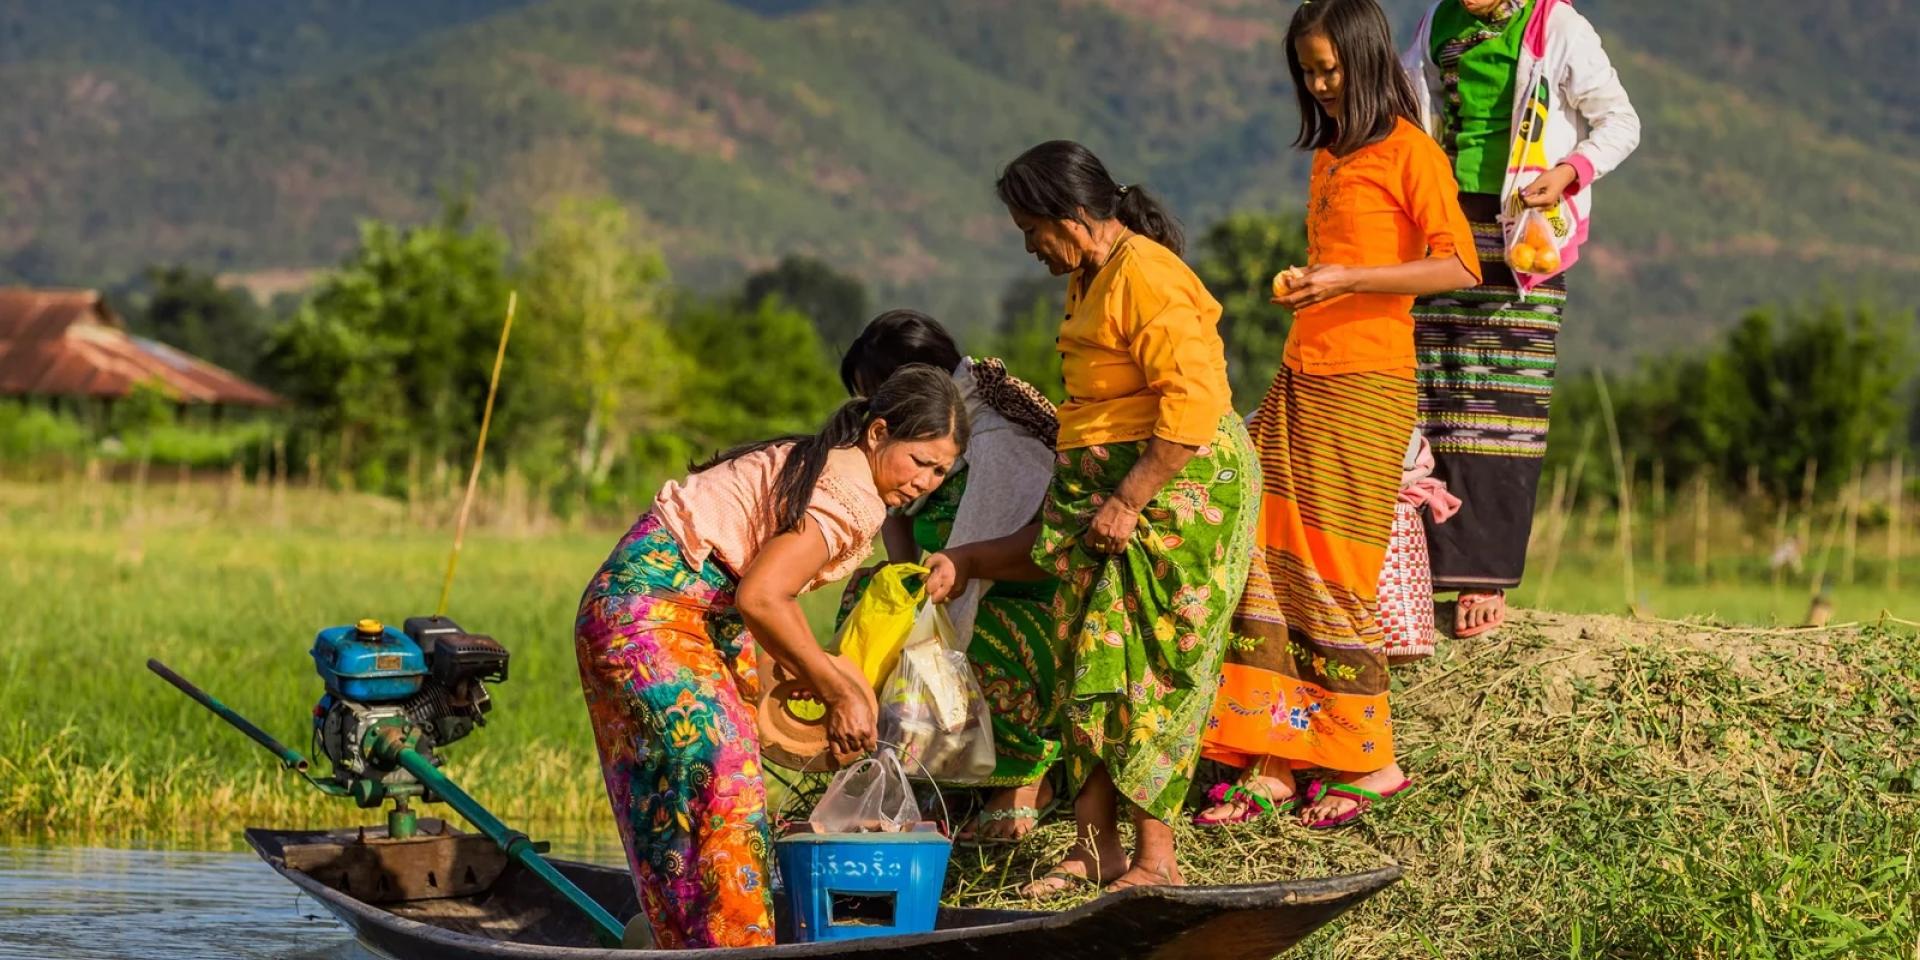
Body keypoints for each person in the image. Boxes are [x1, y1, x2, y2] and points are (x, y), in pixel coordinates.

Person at [928, 140, 1259, 896]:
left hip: (1171, 489)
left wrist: (1128, 497)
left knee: (1146, 665)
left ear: (1073, 217)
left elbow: (1194, 405)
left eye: (1032, 229)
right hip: (1112, 483)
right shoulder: (1090, 277)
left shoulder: (1147, 275)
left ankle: (1154, 858)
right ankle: (1091, 846)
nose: (1030, 247)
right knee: (1087, 661)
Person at [1196, 0, 1481, 831]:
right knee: (1267, 556)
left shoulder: (1409, 153)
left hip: (1367, 385)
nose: (1320, 85)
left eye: (1330, 69)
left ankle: (1372, 760)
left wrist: (1348, 281)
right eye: (1308, 71)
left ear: (1365, 60)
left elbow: (1457, 263)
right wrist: (1314, 284)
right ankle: (1275, 760)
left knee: (1335, 568)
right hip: (1301, 373)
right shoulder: (1328, 157)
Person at [573, 366, 968, 949]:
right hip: (650, 609)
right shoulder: (851, 494)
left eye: (941, 471)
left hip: (690, 611)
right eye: (920, 461)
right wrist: (835, 692)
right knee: (724, 784)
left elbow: (754, 598)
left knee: (698, 791)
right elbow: (761, 596)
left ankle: (685, 941)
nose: (926, 483)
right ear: (880, 432)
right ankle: (732, 947)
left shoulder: (841, 472)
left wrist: (819, 682)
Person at [1403, 0, 1640, 638]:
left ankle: (1484, 573)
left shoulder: (1556, 26)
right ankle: (1418, 567)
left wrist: (1566, 172)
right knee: (1435, 392)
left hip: (1524, 242)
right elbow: (1406, 105)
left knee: (1505, 404)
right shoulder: (1436, 22)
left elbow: (1618, 122)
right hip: (1445, 231)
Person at [836, 310, 1067, 844]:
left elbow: (1049, 546)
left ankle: (1026, 777)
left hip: (1022, 597)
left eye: (881, 394)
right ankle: (927, 771)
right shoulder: (919, 435)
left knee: (980, 633)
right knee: (870, 595)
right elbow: (898, 510)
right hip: (953, 577)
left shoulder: (1000, 438)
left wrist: (969, 564)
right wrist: (900, 575)